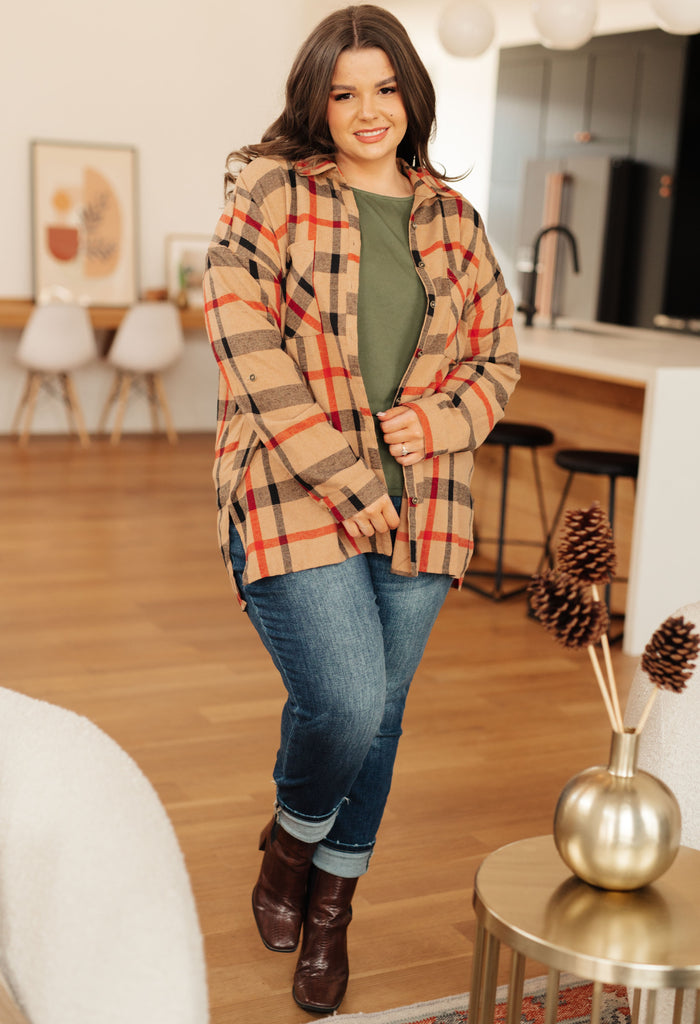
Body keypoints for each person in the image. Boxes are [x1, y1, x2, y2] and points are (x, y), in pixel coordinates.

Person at [203, 4, 519, 1014]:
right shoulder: (271, 192)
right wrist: (349, 475)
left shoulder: (455, 222)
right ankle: (290, 842)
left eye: (384, 89)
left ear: (411, 96)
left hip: (427, 504)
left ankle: (328, 908)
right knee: (343, 701)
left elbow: (497, 359)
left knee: (380, 718)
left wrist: (442, 422)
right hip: (293, 487)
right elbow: (243, 342)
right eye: (344, 93)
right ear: (317, 103)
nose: (368, 110)